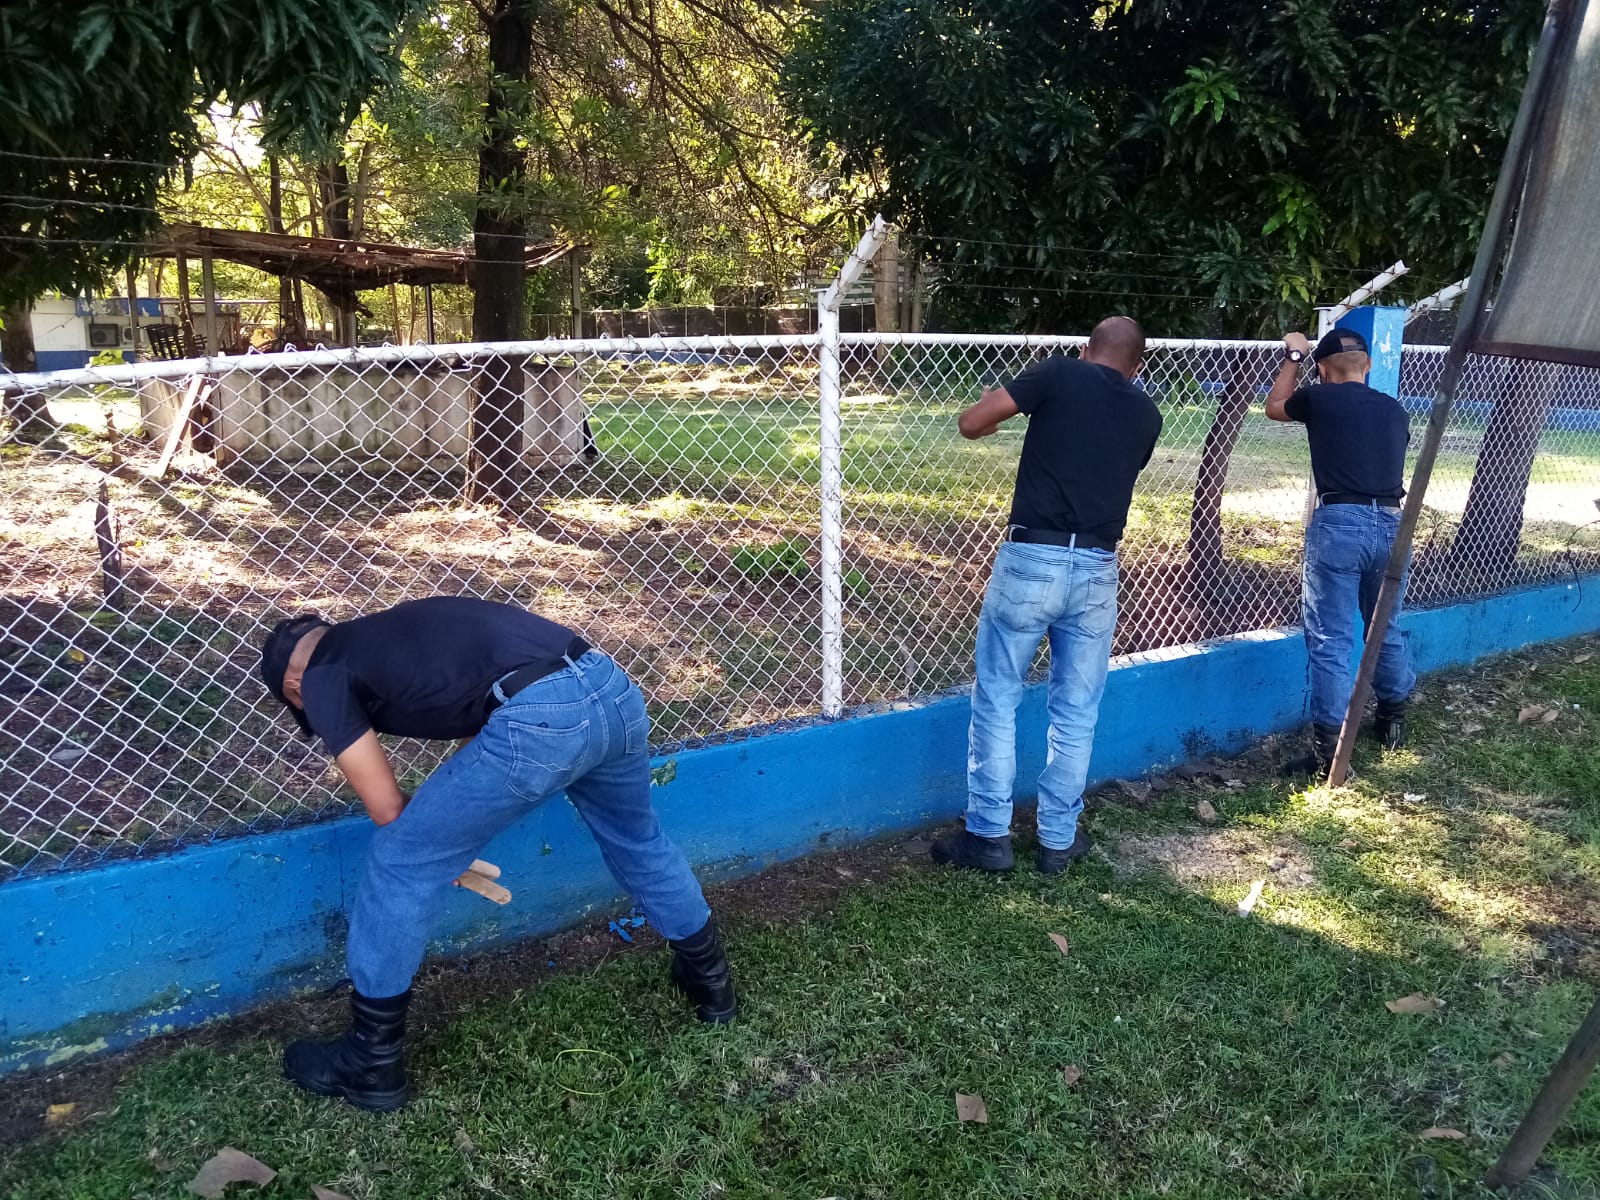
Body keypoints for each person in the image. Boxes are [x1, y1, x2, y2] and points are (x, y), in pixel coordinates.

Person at [258, 596, 736, 1112]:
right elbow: (487, 711)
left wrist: (434, 845)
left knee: (399, 862)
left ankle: (371, 1062)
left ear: (293, 689)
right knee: (637, 837)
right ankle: (712, 984)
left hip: (540, 718)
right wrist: (443, 832)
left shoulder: (319, 675)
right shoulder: (391, 633)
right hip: (609, 688)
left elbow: (387, 809)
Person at [932, 316, 1162, 875]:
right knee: (1077, 709)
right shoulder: (1147, 412)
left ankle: (989, 835)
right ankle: (1058, 839)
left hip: (1033, 557)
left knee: (997, 696)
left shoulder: (1058, 373)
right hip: (1098, 567)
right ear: (1137, 367)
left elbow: (971, 423)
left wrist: (993, 409)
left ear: (1086, 349)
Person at [1265, 327, 1416, 773]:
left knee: (1331, 637)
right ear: (1367, 366)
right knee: (1384, 625)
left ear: (1323, 371)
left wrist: (1294, 356)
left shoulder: (1319, 398)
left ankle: (1329, 752)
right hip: (1392, 524)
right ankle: (1392, 720)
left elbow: (1274, 407)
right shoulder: (1394, 409)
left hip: (1340, 523)